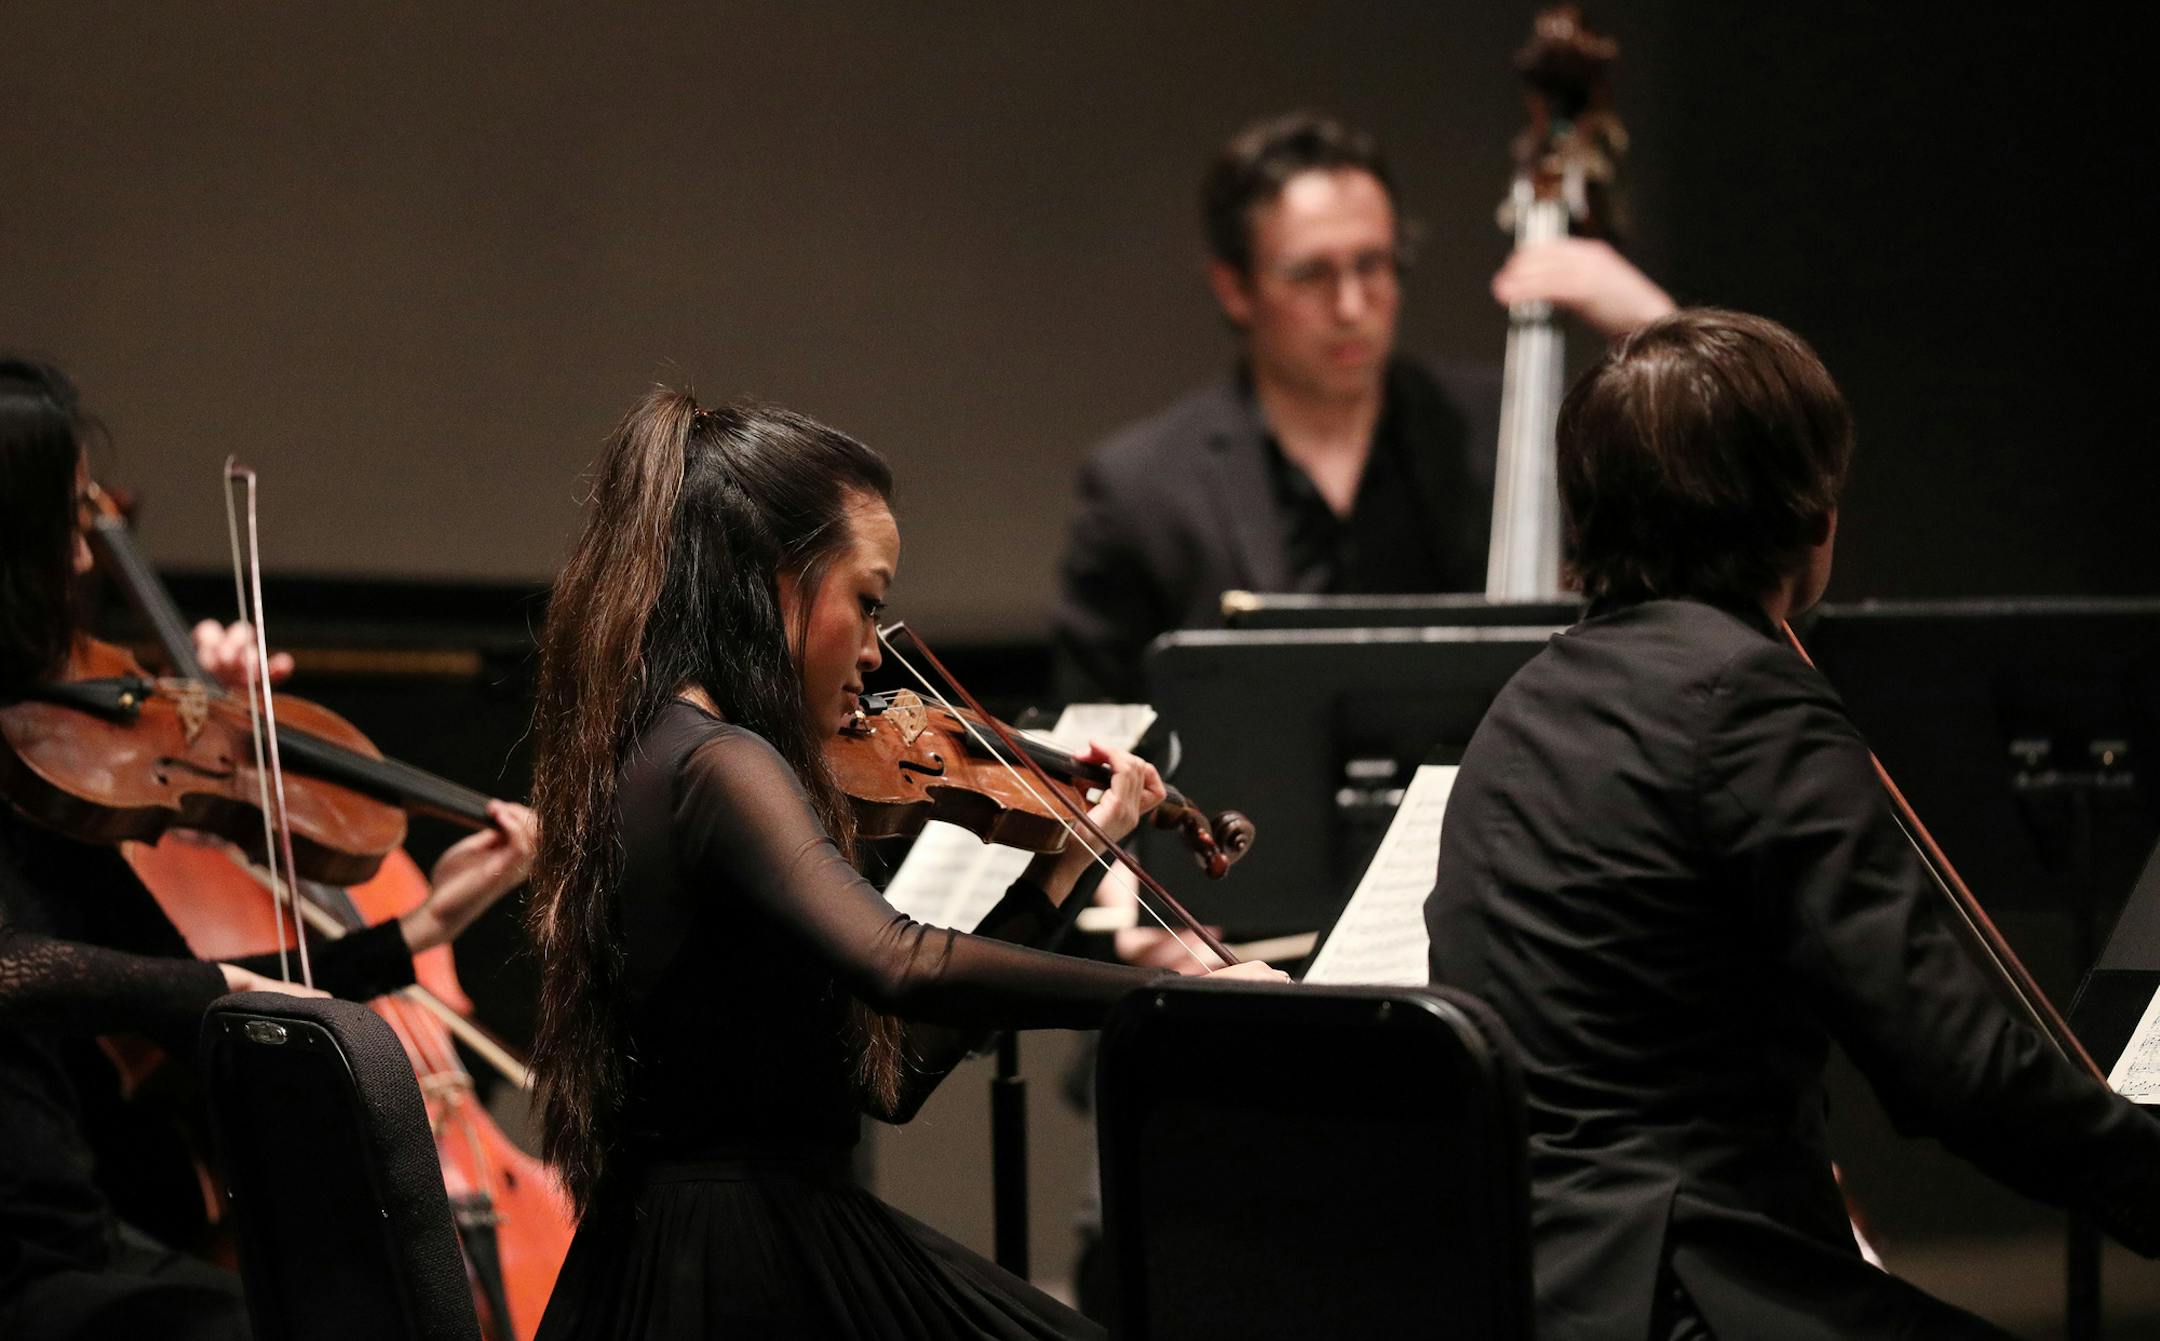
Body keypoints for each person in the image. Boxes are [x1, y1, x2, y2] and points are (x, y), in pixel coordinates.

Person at [1423, 310, 2160, 1339]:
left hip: (1525, 1289)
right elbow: (1947, 1061)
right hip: (1682, 1286)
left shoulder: (1525, 705)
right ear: (1808, 517)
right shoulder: (1746, 701)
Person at [524, 389, 1282, 1341]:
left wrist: (1067, 864)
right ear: (774, 581)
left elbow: (888, 1082)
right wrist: (1183, 997)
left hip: (729, 1242)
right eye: (867, 602)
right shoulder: (718, 761)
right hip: (735, 1267)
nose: (880, 655)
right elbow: (904, 959)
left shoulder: (664, 746)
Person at [0, 356, 539, 1341]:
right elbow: (33, 973)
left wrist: (421, 922)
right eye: (73, 525)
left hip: (72, 1239)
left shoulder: (43, 777)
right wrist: (208, 991)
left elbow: (215, 989)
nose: (87, 563)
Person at [1053, 110, 1676, 700]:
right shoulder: (1141, 490)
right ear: (1234, 288)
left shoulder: (1516, 432)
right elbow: (1095, 745)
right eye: (1310, 274)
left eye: (1372, 264)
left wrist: (1659, 327)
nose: (1352, 307)